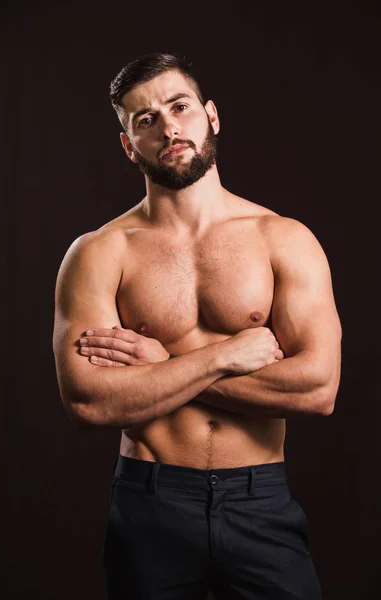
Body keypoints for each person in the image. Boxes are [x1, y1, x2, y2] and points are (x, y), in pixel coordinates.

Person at [53, 52, 342, 600]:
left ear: (210, 115)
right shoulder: (99, 252)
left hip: (262, 499)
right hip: (150, 503)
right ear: (127, 145)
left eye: (178, 106)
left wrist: (161, 368)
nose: (168, 126)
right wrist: (219, 356)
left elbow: (318, 388)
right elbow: (90, 402)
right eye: (146, 120)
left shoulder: (283, 238)